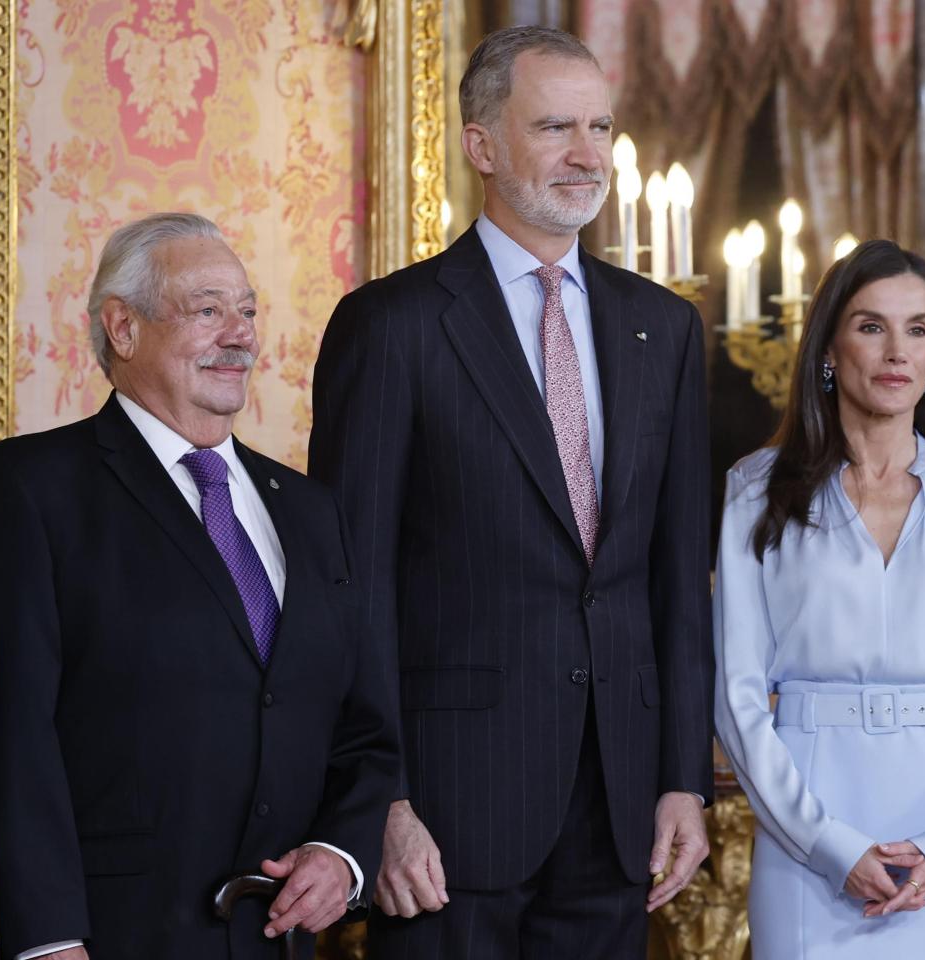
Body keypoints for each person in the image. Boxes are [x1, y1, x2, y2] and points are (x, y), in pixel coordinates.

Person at [308, 25, 715, 958]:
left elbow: (672, 578)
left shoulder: (664, 329)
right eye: (555, 127)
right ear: (481, 144)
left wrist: (682, 778)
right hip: (448, 818)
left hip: (618, 810)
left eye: (601, 128)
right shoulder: (394, 326)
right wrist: (380, 800)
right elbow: (351, 586)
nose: (587, 155)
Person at [0, 213, 399, 960]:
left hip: (275, 940)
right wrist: (48, 939)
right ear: (122, 328)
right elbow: (11, 736)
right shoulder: (28, 488)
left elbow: (364, 725)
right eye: (208, 310)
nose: (240, 335)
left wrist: (341, 853)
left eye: (248, 311)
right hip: (109, 936)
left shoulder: (314, 512)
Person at [712, 239, 925, 957]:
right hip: (810, 836)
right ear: (828, 347)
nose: (897, 352)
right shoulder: (755, 489)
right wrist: (827, 844)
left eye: (918, 328)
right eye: (871, 325)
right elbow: (735, 695)